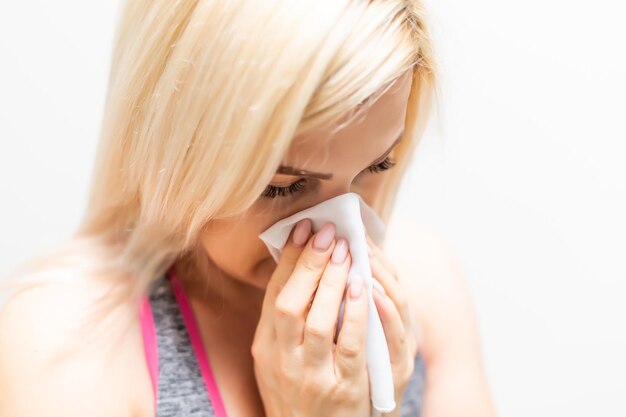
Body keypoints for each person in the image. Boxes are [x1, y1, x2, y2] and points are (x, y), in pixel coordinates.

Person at [0, 1, 496, 416]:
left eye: (377, 165)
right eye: (283, 186)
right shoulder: (66, 346)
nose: (341, 232)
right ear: (175, 147)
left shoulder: (427, 287)